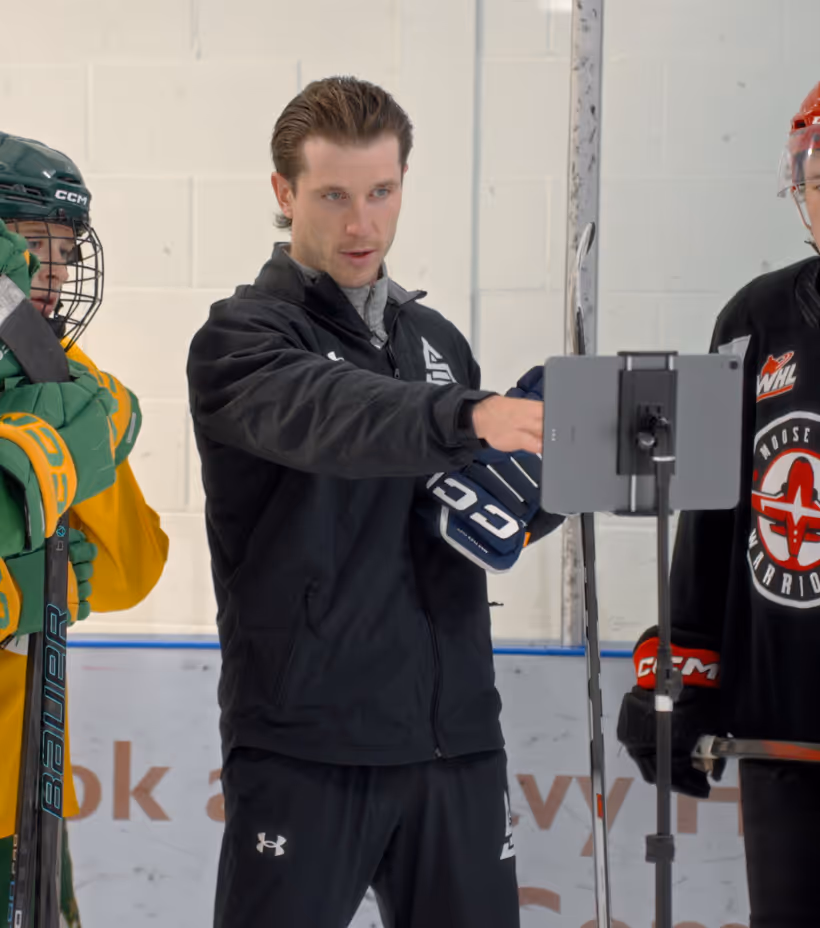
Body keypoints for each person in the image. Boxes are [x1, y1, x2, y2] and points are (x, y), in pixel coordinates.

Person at [187, 76, 562, 928]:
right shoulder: (241, 341)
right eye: (333, 196)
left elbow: (445, 519)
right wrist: (471, 415)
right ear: (284, 195)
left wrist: (547, 486)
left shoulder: (437, 342)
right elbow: (337, 416)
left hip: (456, 740)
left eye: (382, 192)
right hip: (306, 745)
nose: (363, 224)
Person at [616, 81, 820, 926]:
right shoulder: (759, 317)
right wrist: (680, 667)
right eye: (818, 172)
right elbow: (711, 515)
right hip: (790, 740)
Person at [0, 133, 169, 927]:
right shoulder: (74, 396)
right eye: (35, 246)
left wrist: (62, 421)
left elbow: (134, 567)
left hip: (26, 788)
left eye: (65, 250)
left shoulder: (66, 384)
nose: (57, 272)